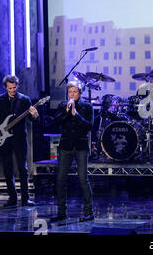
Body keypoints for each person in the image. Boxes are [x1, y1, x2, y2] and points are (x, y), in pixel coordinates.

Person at [0, 75, 39, 207]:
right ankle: (12, 198)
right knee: (7, 168)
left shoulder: (25, 100)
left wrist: (35, 115)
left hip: (20, 138)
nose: (12, 90)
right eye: (10, 88)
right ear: (5, 87)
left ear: (17, 86)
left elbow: (33, 121)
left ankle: (25, 199)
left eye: (14, 88)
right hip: (4, 139)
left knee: (23, 168)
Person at [51, 81, 94, 222]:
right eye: (70, 92)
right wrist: (67, 112)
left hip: (81, 147)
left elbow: (89, 126)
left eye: (75, 92)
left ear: (79, 93)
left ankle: (89, 212)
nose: (72, 94)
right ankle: (61, 212)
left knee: (83, 179)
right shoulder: (63, 106)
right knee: (60, 180)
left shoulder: (87, 107)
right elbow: (56, 122)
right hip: (65, 147)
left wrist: (76, 114)